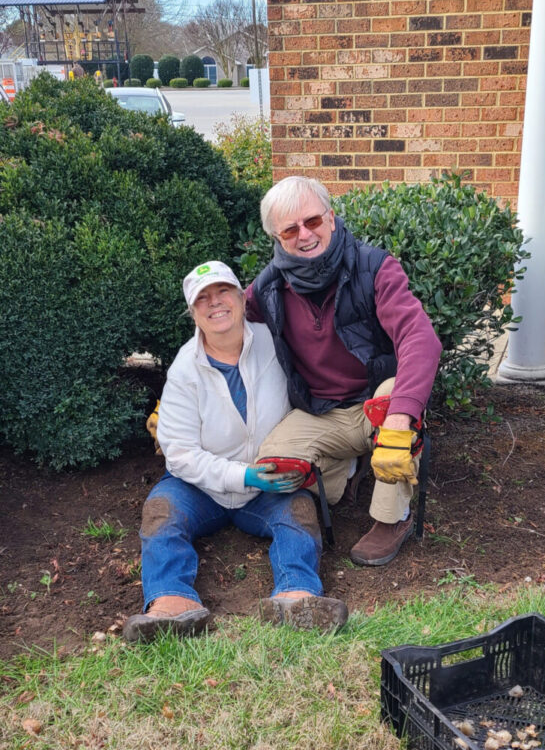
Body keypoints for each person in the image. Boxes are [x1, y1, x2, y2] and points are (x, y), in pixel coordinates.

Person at [123, 261, 348, 642]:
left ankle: (297, 596)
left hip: (268, 482)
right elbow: (179, 454)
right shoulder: (184, 369)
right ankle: (172, 603)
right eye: (203, 299)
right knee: (161, 513)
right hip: (200, 488)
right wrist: (240, 475)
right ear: (193, 313)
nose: (216, 304)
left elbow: (314, 389)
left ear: (242, 297)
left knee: (299, 512)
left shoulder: (274, 342)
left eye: (223, 291)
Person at [246, 176, 442, 567]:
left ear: (331, 219)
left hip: (376, 400)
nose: (304, 235)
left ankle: (391, 520)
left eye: (312, 221)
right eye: (290, 229)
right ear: (277, 238)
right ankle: (345, 474)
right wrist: (181, 396)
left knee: (392, 405)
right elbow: (225, 333)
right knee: (273, 464)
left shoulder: (375, 267)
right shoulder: (267, 288)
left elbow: (421, 338)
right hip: (320, 410)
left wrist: (403, 416)